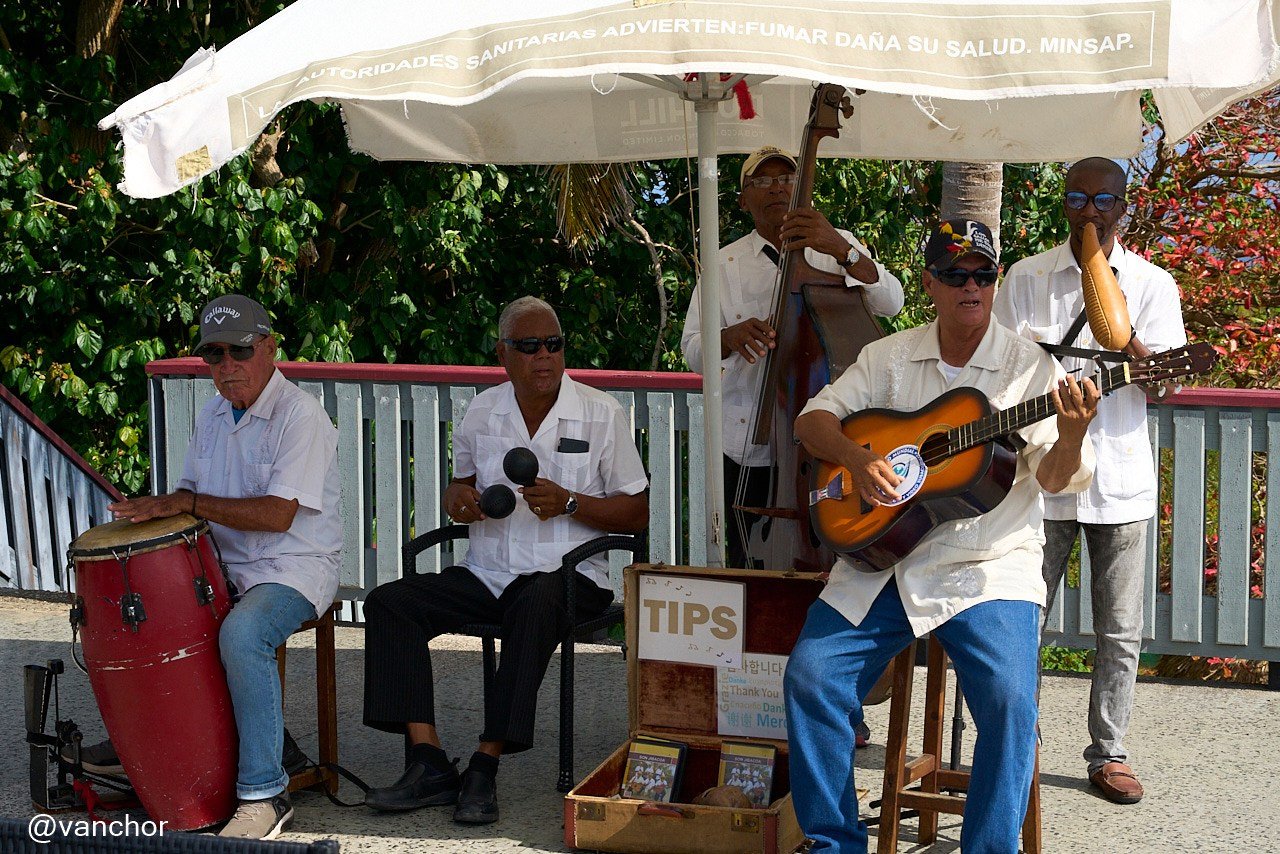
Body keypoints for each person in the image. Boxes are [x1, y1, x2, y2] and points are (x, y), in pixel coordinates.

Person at [784, 220, 1100, 853]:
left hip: (990, 562)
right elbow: (810, 420)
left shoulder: (1030, 369)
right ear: (929, 282)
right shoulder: (888, 356)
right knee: (810, 678)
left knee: (1011, 702)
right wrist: (854, 456)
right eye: (955, 274)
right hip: (888, 558)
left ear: (996, 281)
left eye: (983, 273)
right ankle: (834, 845)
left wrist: (1070, 433)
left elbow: (1059, 482)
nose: (971, 285)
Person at [361, 296, 649, 824]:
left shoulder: (600, 411)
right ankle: (428, 762)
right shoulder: (482, 409)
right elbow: (462, 485)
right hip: (488, 571)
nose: (545, 355)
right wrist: (458, 499)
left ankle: (483, 767)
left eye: (554, 345)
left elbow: (637, 511)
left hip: (569, 575)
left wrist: (571, 502)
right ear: (502, 353)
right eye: (530, 346)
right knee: (389, 603)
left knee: (536, 601)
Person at [109, 294, 342, 840]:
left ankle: (264, 793)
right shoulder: (213, 412)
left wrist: (184, 503)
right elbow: (190, 494)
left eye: (239, 349)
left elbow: (277, 515)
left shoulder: (300, 414)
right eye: (214, 354)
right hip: (225, 567)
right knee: (147, 619)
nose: (227, 364)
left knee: (241, 635)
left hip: (293, 568)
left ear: (269, 347)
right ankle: (163, 755)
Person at [993, 157, 1187, 805]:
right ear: (1065, 205)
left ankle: (1110, 751)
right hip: (1042, 475)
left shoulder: (1154, 284)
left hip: (1122, 477)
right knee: (1027, 617)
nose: (1090, 211)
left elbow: (1169, 383)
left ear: (1123, 208)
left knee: (1120, 629)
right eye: (1078, 197)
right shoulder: (1025, 279)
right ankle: (1023, 740)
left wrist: (1129, 339)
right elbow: (994, 370)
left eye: (1104, 200)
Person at [680, 145, 904, 569]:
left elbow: (892, 301)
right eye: (761, 181)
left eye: (786, 179)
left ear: (804, 189)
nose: (776, 189)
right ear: (744, 198)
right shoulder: (723, 264)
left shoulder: (835, 245)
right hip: (749, 442)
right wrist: (726, 338)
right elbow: (693, 351)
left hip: (830, 438)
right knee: (749, 561)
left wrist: (842, 249)